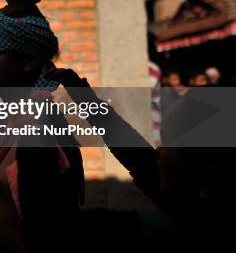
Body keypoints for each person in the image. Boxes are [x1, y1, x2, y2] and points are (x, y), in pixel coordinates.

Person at [0, 0, 84, 252]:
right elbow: (5, 208)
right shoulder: (15, 123)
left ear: (30, 62)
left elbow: (42, 243)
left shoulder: (41, 140)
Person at [47, 68, 236, 244]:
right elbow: (126, 142)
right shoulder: (187, 198)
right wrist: (81, 94)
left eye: (169, 145)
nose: (158, 153)